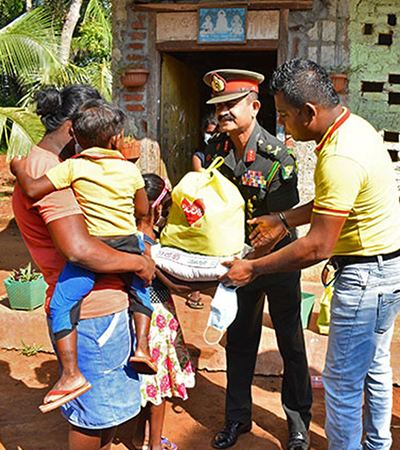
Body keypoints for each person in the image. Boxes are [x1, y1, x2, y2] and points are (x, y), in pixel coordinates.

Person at [220, 59, 400, 450]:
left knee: (341, 384)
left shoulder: (337, 155)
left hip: (366, 278)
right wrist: (282, 217)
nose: (285, 124)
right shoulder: (354, 127)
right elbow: (335, 202)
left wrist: (253, 268)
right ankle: (377, 445)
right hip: (390, 268)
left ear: (309, 112)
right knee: (374, 368)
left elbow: (318, 245)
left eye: (288, 116)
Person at [12, 85, 154, 450]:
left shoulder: (60, 167)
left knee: (103, 415)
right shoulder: (53, 171)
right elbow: (79, 250)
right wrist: (139, 261)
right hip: (94, 308)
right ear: (75, 128)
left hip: (94, 302)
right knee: (93, 418)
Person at [202, 69, 312, 450]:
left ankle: (298, 424)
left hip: (276, 263)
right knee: (241, 342)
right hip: (238, 264)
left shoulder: (278, 158)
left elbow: (280, 227)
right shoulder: (215, 151)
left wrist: (249, 262)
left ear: (255, 106)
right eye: (219, 106)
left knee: (291, 344)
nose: (224, 113)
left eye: (232, 104)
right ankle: (237, 419)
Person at [132, 174, 196, 450]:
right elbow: (172, 283)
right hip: (154, 315)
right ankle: (156, 445)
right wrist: (211, 279)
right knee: (158, 387)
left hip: (136, 314)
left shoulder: (131, 233)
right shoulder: (147, 242)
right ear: (157, 209)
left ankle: (138, 437)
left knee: (146, 382)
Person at [186, 111, 219, 310]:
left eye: (214, 133)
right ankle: (195, 293)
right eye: (208, 133)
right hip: (204, 204)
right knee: (199, 248)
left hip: (220, 206)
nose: (210, 137)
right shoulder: (199, 156)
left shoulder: (225, 153)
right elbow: (201, 179)